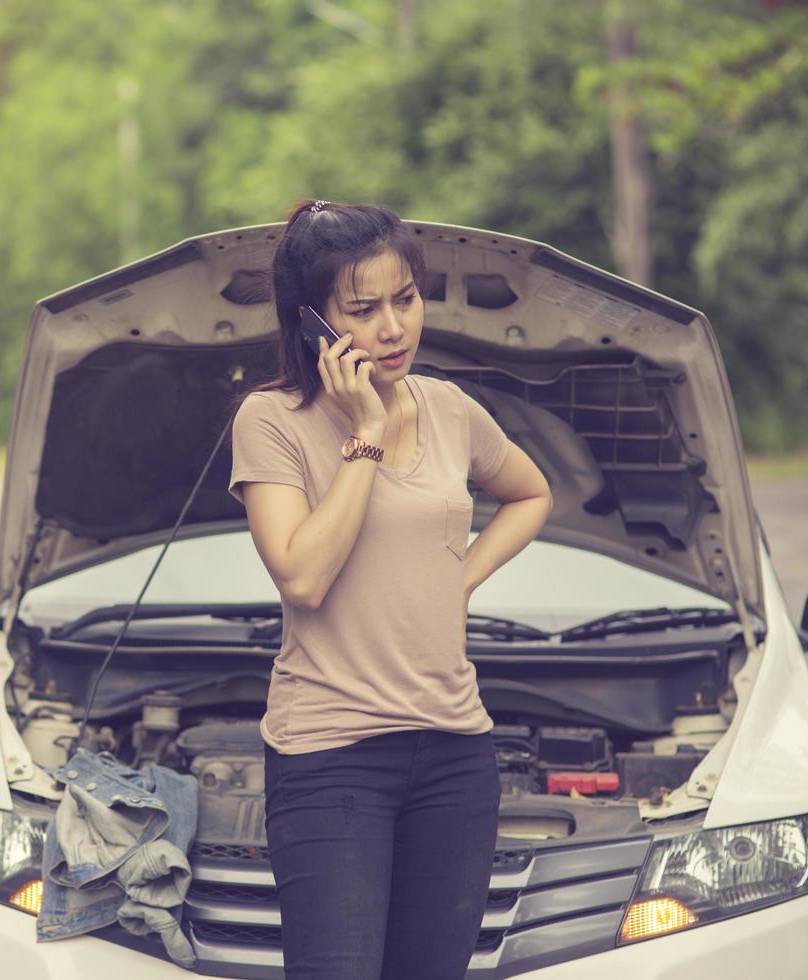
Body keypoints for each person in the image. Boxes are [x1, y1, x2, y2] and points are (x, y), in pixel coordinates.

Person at [227, 199, 553, 979]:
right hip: (331, 757)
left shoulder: (449, 408)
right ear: (312, 321)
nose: (393, 327)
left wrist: (459, 581)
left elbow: (532, 494)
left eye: (405, 299)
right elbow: (303, 575)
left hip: (455, 752)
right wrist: (364, 432)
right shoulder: (270, 420)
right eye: (362, 309)